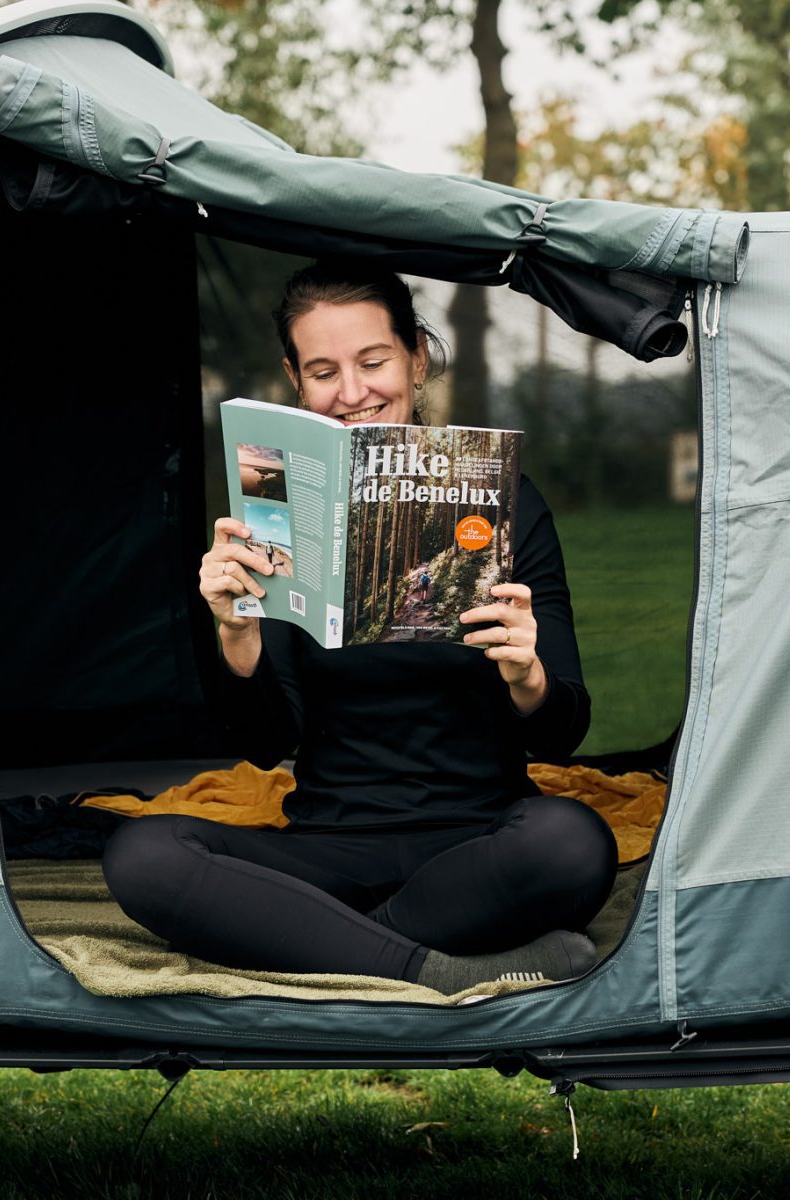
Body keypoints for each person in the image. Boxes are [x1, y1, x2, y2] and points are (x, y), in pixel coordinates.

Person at [102, 261, 616, 995]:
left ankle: (318, 939)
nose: (351, 393)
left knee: (573, 842)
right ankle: (431, 965)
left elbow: (563, 731)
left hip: (479, 845)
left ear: (417, 357)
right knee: (144, 853)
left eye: (373, 361)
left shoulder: (510, 500)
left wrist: (528, 676)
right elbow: (263, 742)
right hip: (325, 851)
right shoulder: (276, 498)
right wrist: (236, 637)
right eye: (322, 371)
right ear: (294, 379)